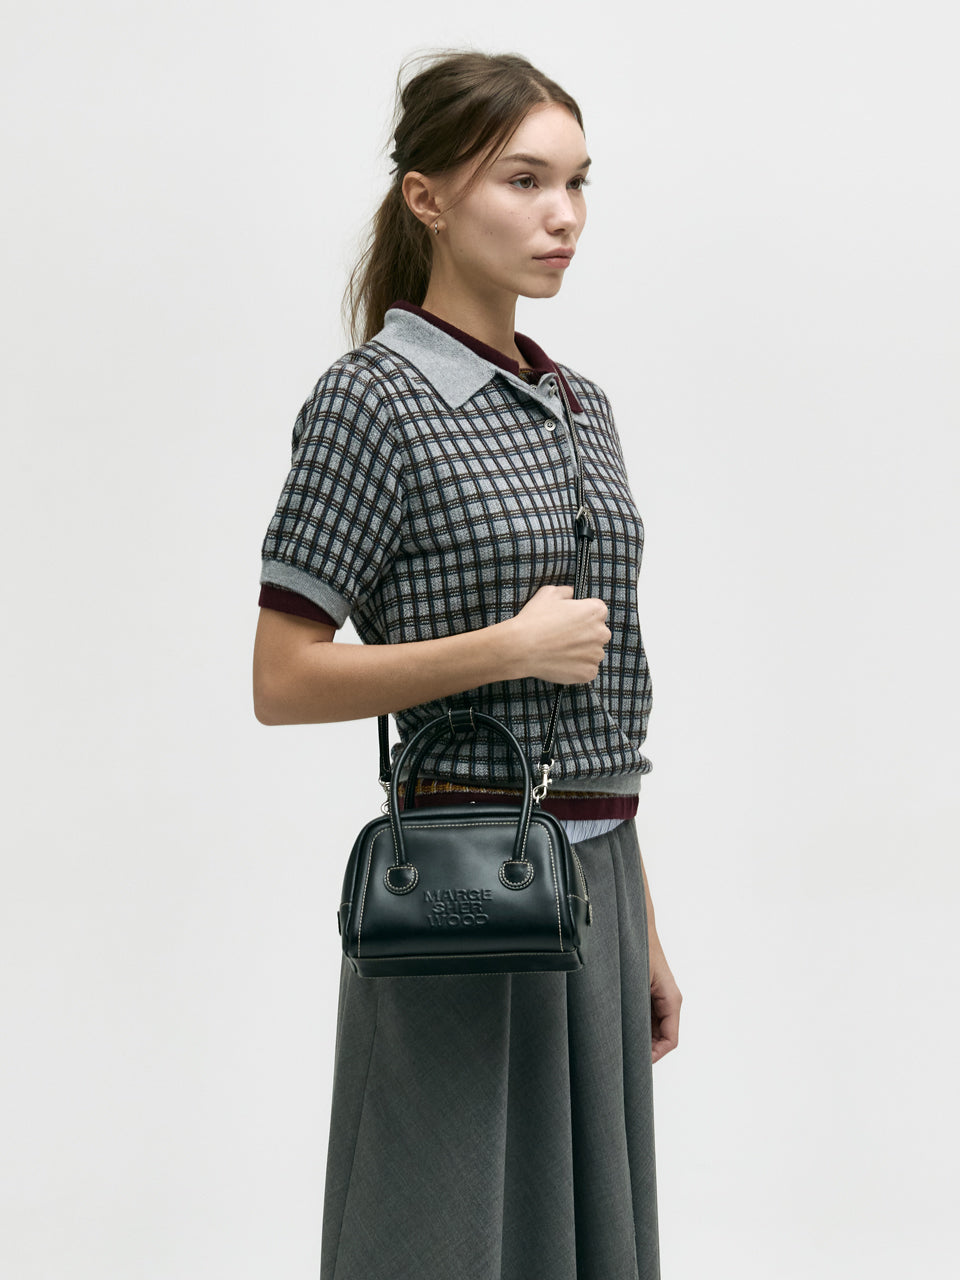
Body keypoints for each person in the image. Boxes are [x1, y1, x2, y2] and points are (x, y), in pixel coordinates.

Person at [253, 49, 681, 1280]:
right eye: (524, 180)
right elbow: (282, 676)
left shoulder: (584, 406)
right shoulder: (374, 400)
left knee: (583, 1239)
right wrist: (505, 649)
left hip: (596, 875)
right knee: (445, 1235)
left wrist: (644, 926)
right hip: (462, 881)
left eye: (578, 182)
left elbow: (603, 717)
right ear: (428, 198)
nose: (564, 215)